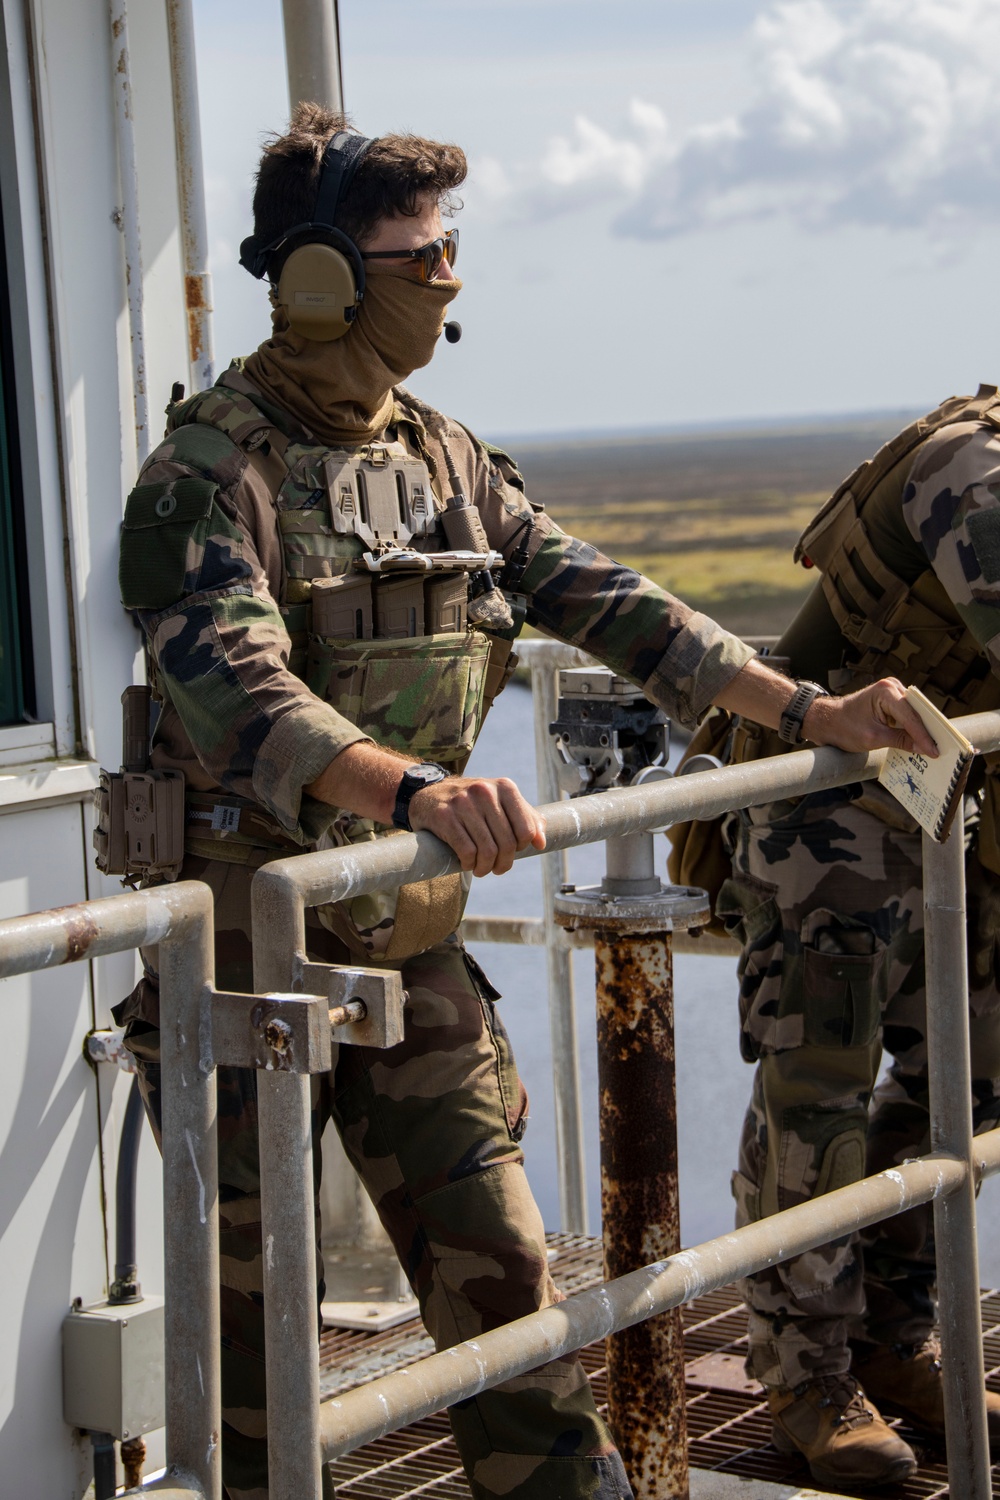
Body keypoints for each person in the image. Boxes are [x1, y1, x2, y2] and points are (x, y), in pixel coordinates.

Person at [113, 104, 932, 1500]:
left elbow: (611, 603)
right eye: (421, 256)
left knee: (513, 1314)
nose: (449, 280)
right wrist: (416, 785)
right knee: (247, 1355)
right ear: (320, 280)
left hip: (406, 937)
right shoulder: (210, 473)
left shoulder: (442, 459)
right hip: (249, 956)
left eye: (451, 251)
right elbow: (235, 690)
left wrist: (810, 710)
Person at [688, 388, 1000, 1490]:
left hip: (947, 810)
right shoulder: (972, 463)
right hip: (831, 810)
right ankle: (804, 1370)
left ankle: (890, 1337)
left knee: (972, 1083)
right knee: (817, 1089)